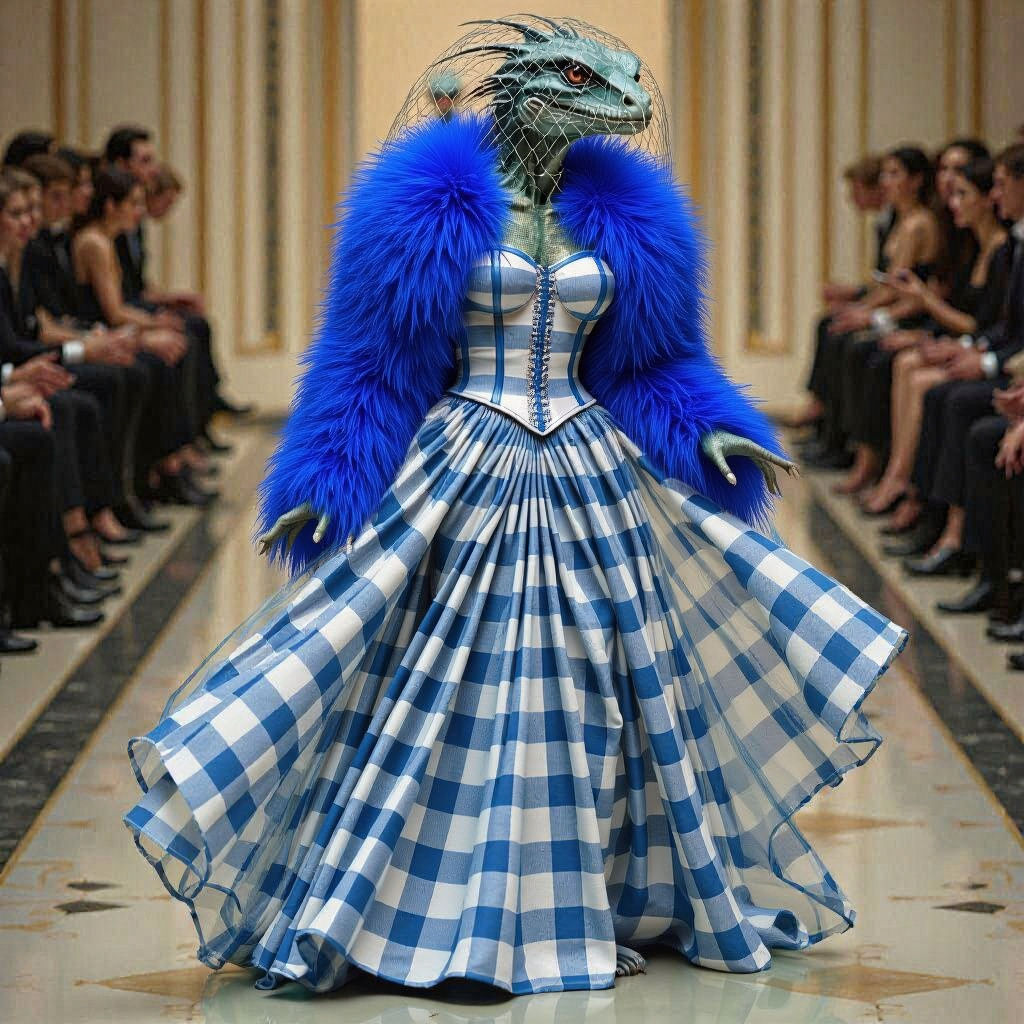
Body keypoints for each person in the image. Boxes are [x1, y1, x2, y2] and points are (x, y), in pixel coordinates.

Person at [124, 16, 907, 996]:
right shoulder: (419, 206)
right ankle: (438, 898)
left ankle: (582, 896)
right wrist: (322, 478)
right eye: (586, 83)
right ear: (532, 90)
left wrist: (708, 424)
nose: (628, 106)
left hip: (588, 464)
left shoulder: (627, 216)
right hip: (464, 462)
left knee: (595, 679)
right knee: (445, 677)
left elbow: (652, 358)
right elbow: (369, 362)